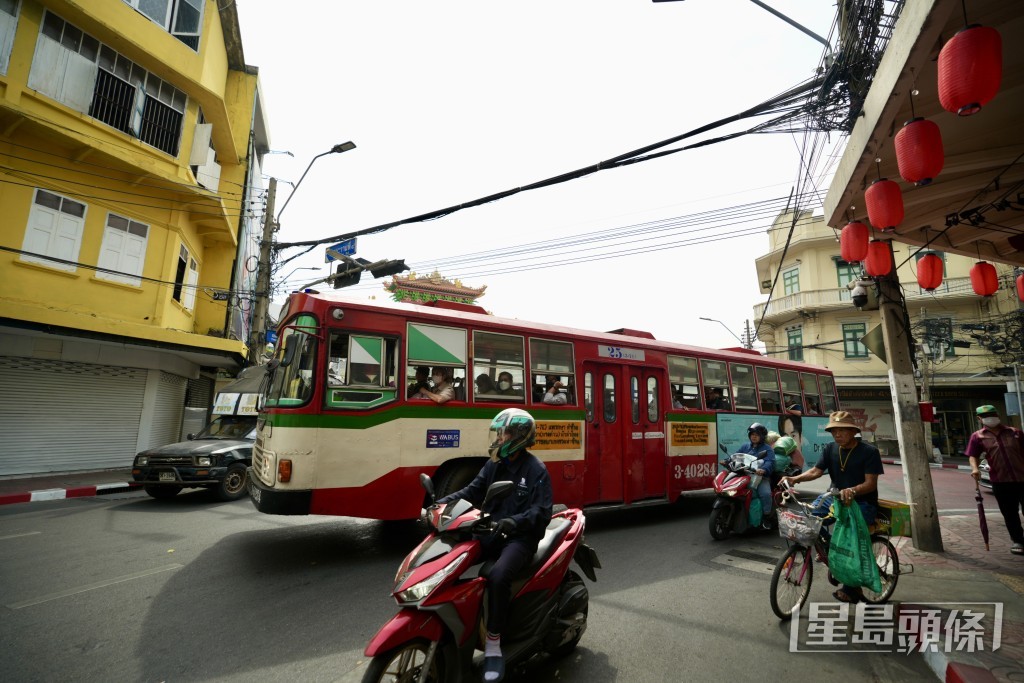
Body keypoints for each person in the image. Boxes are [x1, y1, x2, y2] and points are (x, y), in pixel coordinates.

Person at [435, 409, 553, 683]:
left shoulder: (535, 470)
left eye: (505, 433)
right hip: (490, 530)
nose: (499, 438)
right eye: (499, 433)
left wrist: (514, 522)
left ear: (520, 437)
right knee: (451, 557)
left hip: (519, 539)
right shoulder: (493, 464)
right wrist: (440, 504)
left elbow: (542, 512)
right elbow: (471, 491)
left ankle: (493, 643)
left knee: (498, 576)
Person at [780, 410, 884, 603]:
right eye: (834, 431)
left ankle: (851, 587)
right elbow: (816, 471)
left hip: (862, 503)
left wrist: (852, 490)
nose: (837, 434)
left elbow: (871, 483)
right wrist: (794, 479)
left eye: (842, 430)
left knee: (848, 540)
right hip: (834, 498)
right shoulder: (830, 449)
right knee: (808, 518)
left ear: (853, 431)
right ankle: (830, 553)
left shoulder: (869, 452)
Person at [965, 405, 1024, 556]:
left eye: (992, 414)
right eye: (985, 416)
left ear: (998, 415)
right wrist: (975, 468)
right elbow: (973, 455)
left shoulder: (1015, 432)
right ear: (979, 419)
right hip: (1000, 481)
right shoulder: (978, 436)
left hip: (1022, 478)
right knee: (1010, 513)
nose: (989, 418)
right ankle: (1018, 540)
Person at [736, 423, 775, 528]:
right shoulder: (745, 446)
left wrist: (763, 470)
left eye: (757, 434)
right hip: (744, 475)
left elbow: (770, 462)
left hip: (760, 477)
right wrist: (727, 461)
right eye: (752, 434)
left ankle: (767, 518)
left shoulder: (767, 449)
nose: (754, 436)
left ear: (762, 436)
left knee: (765, 494)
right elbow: (737, 456)